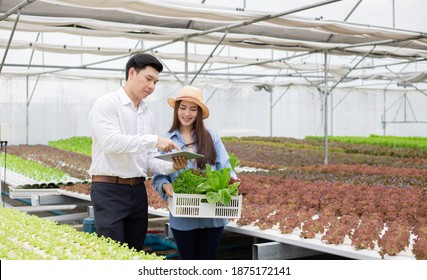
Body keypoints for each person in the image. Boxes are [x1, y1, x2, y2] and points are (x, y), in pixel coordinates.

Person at [88, 53, 188, 251]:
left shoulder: (147, 113)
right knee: (112, 253)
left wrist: (171, 166)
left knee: (134, 251)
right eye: (148, 79)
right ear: (132, 73)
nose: (152, 86)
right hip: (109, 190)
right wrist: (154, 140)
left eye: (156, 82)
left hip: (137, 191)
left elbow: (148, 160)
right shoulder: (107, 104)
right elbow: (111, 142)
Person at [152, 85, 238, 260]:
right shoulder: (167, 141)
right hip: (183, 217)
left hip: (212, 215)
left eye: (193, 109)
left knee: (208, 260)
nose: (187, 113)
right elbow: (159, 175)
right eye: (183, 108)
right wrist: (165, 186)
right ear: (176, 110)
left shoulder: (211, 138)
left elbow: (226, 168)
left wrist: (232, 182)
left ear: (199, 113)